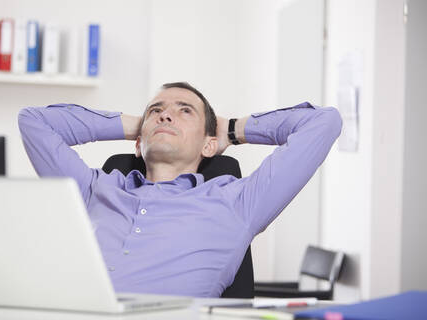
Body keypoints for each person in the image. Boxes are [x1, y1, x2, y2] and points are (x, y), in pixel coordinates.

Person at [18, 82, 342, 298]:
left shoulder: (237, 203)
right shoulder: (95, 189)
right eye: (155, 110)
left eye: (185, 110)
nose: (166, 114)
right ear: (137, 142)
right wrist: (143, 126)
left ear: (209, 144)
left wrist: (232, 129)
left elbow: (324, 123)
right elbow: (32, 121)